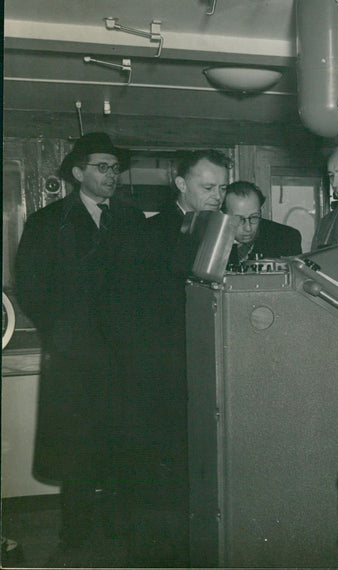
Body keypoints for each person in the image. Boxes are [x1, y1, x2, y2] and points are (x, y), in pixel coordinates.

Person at [13, 132, 145, 551]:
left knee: (122, 449)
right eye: (102, 167)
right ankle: (74, 542)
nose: (112, 175)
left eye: (115, 168)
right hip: (74, 360)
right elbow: (31, 288)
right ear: (77, 172)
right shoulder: (48, 221)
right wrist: (62, 334)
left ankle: (121, 539)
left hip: (124, 358)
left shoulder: (131, 218)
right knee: (77, 454)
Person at [116, 149, 229, 566]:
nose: (217, 195)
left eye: (221, 187)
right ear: (180, 184)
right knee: (164, 478)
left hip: (197, 368)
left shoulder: (211, 227)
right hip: (160, 375)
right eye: (207, 186)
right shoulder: (154, 232)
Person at [222, 181, 302, 266]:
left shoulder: (286, 238)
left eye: (254, 217)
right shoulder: (210, 240)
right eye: (239, 219)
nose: (248, 228)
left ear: (261, 211)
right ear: (223, 215)